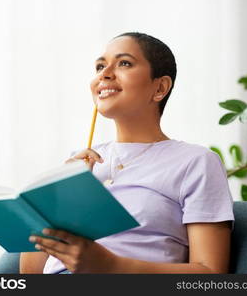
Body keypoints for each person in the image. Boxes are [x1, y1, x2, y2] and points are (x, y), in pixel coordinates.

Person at [20, 32, 235, 274]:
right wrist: (55, 198)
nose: (105, 74)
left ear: (160, 87)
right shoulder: (78, 164)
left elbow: (211, 274)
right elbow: (30, 274)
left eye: (124, 63)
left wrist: (112, 267)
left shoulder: (195, 162)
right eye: (100, 66)